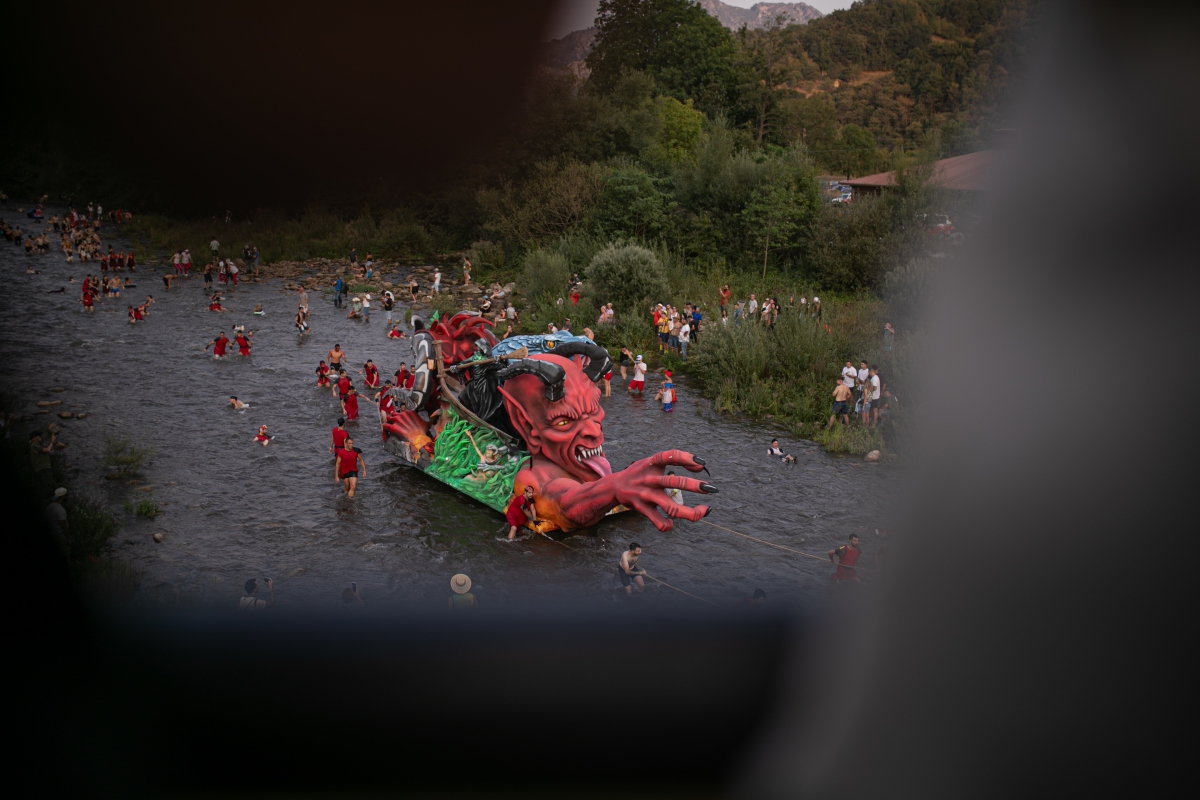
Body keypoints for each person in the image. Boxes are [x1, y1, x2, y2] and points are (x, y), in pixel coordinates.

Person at [44, 487, 70, 557]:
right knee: (65, 555)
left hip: (51, 534)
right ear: (63, 496)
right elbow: (63, 526)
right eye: (66, 495)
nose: (67, 497)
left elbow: (45, 520)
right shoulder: (61, 510)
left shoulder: (49, 507)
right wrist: (68, 538)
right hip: (60, 537)